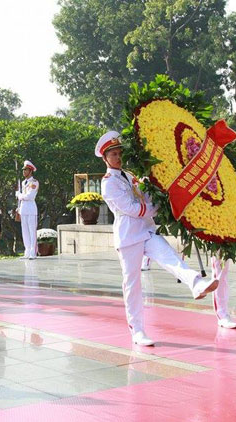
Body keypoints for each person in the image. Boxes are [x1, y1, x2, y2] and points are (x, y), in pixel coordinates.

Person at [96, 131, 219, 346]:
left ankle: (196, 284)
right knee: (132, 284)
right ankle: (137, 331)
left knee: (170, 257)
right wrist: (156, 207)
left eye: (118, 153)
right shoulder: (108, 183)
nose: (117, 157)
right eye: (113, 154)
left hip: (147, 230)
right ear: (105, 158)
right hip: (128, 236)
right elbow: (131, 208)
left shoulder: (129, 175)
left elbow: (144, 196)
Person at [15, 160, 39, 259]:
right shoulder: (23, 182)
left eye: (26, 170)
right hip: (23, 208)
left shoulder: (34, 182)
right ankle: (27, 250)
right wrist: (19, 207)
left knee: (32, 231)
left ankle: (33, 252)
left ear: (30, 171)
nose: (24, 172)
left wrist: (19, 195)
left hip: (31, 208)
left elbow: (29, 196)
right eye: (23, 170)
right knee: (24, 231)